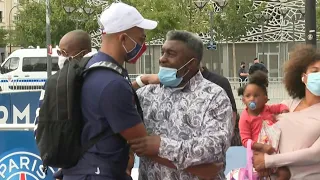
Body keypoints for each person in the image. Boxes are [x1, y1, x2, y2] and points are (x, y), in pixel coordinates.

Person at [129, 30, 233, 180]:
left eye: (170, 54)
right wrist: (141, 81)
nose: (162, 59)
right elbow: (115, 107)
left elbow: (214, 147)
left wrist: (162, 146)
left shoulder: (214, 96)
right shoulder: (146, 94)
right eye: (163, 52)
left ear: (191, 64)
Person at [253, 45, 320, 179]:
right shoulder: (287, 105)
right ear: (303, 77)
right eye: (315, 71)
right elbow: (264, 130)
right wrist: (260, 159)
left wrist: (269, 161)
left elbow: (315, 153)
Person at [33, 30, 92, 180]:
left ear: (82, 53)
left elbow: (39, 125)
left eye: (63, 52)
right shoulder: (98, 76)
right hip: (93, 161)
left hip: (68, 165)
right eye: (59, 52)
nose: (59, 57)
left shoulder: (54, 82)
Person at [238, 70, 290, 180]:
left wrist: (284, 110)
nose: (252, 98)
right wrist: (262, 147)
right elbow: (245, 141)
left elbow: (280, 106)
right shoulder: (245, 117)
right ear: (243, 100)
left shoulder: (268, 109)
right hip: (259, 154)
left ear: (265, 99)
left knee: (285, 174)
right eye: (248, 96)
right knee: (262, 175)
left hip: (275, 151)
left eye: (256, 95)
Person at [200, 65, 239, 144]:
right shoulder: (178, 84)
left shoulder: (220, 82)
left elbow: (232, 110)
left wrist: (230, 133)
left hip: (216, 141)